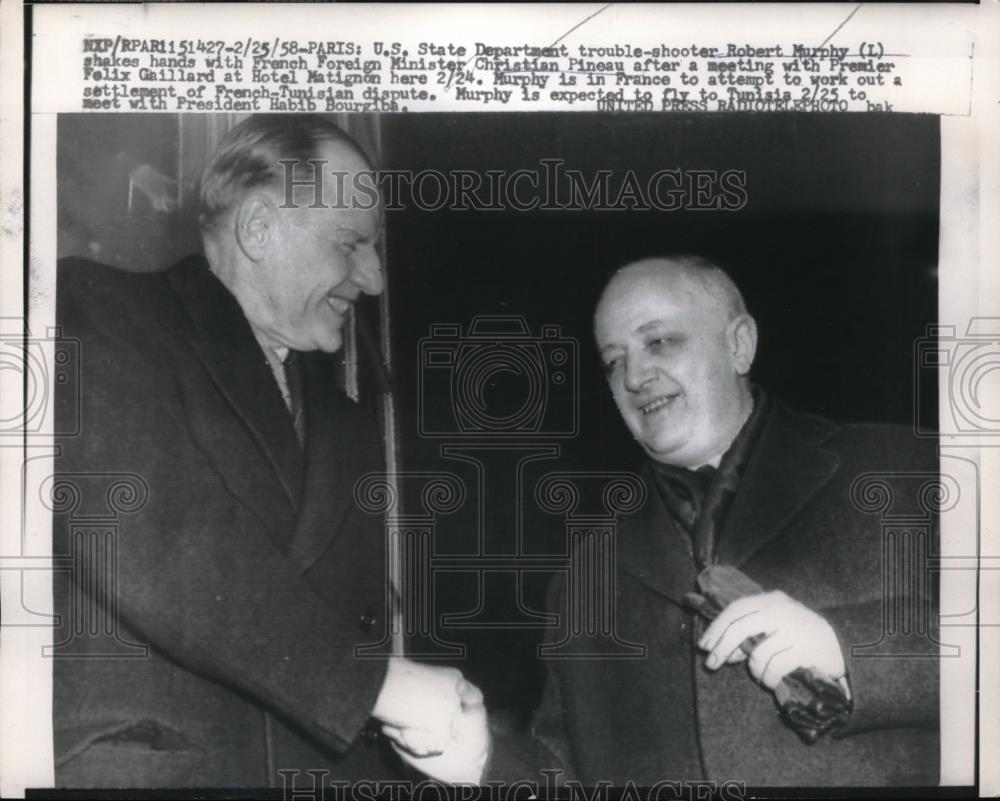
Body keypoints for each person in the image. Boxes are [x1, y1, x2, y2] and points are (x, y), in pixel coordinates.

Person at [396, 255, 940, 787]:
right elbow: (570, 773)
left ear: (739, 344)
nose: (634, 376)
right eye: (613, 360)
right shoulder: (585, 575)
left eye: (659, 341)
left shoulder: (911, 470)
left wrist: (850, 650)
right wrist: (482, 762)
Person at [52, 115, 474, 788]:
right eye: (351, 243)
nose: (372, 280)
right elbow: (152, 536)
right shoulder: (94, 312)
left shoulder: (344, 423)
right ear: (258, 228)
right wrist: (382, 686)